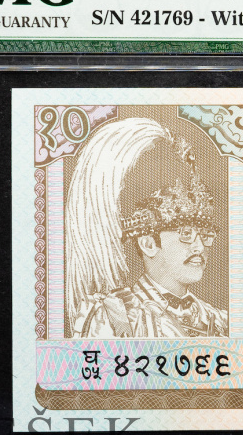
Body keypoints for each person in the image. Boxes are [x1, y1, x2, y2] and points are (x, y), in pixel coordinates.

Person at [66, 117, 228, 338]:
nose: (200, 247)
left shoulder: (218, 320)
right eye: (186, 234)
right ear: (148, 244)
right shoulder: (114, 316)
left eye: (206, 235)